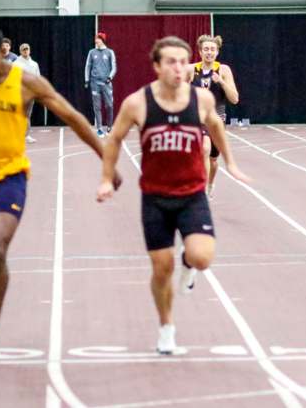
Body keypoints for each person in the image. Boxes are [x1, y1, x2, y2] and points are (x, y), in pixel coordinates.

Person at [0, 26, 120, 361]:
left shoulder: (26, 83)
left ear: (4, 53)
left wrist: (107, 159)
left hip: (10, 177)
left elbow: (73, 118)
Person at [96, 36, 247, 355]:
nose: (178, 68)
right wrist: (107, 178)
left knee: (202, 256)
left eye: (182, 61)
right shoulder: (137, 103)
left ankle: (188, 263)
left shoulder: (201, 100)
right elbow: (114, 139)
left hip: (193, 194)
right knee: (161, 269)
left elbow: (217, 126)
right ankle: (166, 328)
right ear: (156, 66)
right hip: (155, 197)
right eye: (170, 62)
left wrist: (231, 163)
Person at [185, 35, 239, 199]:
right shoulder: (191, 69)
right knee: (205, 148)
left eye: (212, 49)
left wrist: (222, 82)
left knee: (213, 160)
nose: (209, 52)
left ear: (217, 52)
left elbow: (235, 99)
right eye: (206, 49)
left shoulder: (224, 70)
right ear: (200, 52)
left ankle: (209, 184)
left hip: (217, 118)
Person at [85, 32, 117, 138]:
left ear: (102, 40)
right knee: (97, 107)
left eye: (97, 39)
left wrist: (110, 77)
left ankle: (109, 127)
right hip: (95, 83)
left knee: (109, 106)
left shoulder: (109, 52)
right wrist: (87, 79)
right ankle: (99, 128)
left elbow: (114, 67)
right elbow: (88, 66)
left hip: (106, 84)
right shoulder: (91, 52)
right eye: (95, 39)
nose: (95, 40)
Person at [14, 43, 41, 143]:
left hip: (30, 93)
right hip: (19, 92)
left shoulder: (34, 64)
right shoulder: (16, 63)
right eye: (23, 50)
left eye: (27, 49)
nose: (25, 51)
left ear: (29, 50)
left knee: (27, 115)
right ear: (20, 51)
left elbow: (38, 78)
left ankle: (26, 135)